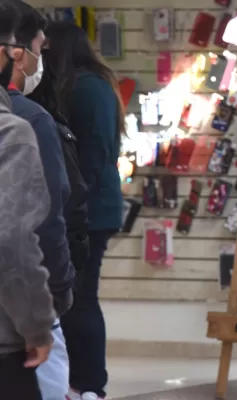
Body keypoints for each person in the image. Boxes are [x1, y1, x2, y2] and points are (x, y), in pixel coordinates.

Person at [42, 21, 125, 400]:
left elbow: (91, 153)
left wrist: (72, 200)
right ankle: (87, 382)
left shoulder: (85, 87)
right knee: (79, 295)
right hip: (96, 206)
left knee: (79, 296)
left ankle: (90, 383)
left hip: (89, 209)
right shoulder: (97, 84)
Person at [0, 2, 55, 398]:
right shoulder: (13, 133)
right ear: (12, 52)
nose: (37, 62)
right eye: (37, 50)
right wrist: (37, 324)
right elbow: (12, 242)